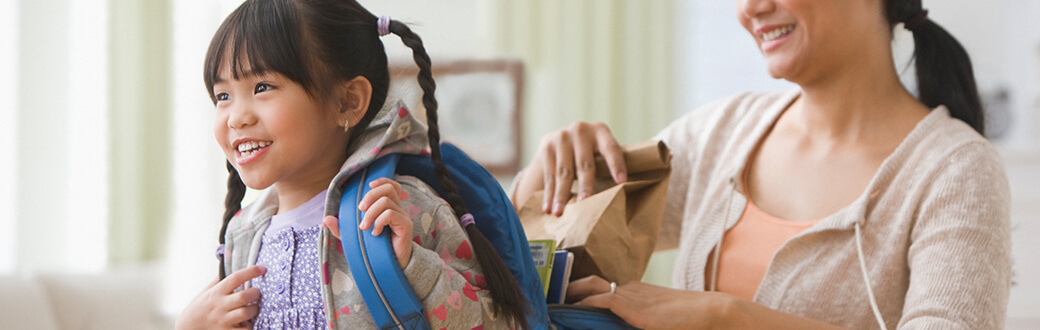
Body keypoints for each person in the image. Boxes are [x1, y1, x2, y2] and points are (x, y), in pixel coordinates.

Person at [512, 0, 1011, 328]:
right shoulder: (724, 132)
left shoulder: (956, 169)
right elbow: (554, 250)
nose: (751, 9)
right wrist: (547, 170)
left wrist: (727, 316)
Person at [174, 0, 528, 328]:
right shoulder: (243, 236)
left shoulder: (400, 209)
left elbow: (500, 323)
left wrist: (413, 266)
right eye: (223, 96)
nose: (236, 118)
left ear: (347, 102)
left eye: (263, 86)